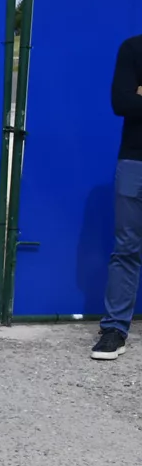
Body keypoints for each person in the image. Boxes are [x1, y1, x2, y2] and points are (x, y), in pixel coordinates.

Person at [93, 32, 142, 359]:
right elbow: (122, 101)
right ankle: (114, 329)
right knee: (126, 247)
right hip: (135, 161)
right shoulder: (134, 48)